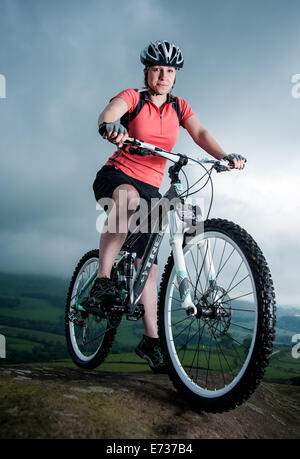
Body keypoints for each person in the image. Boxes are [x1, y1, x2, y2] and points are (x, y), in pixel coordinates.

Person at [91, 40, 245, 373]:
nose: (163, 76)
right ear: (147, 72)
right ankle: (103, 276)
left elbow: (200, 132)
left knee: (150, 262)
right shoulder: (134, 97)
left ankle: (151, 341)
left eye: (170, 71)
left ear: (176, 76)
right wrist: (112, 126)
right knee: (127, 200)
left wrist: (225, 156)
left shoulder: (179, 107)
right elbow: (111, 110)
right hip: (117, 175)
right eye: (157, 69)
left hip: (152, 188)